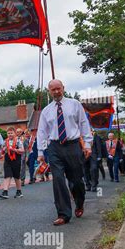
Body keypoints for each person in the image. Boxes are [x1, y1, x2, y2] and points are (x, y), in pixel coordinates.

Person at [37, 79, 92, 226]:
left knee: (76, 182)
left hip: (73, 146)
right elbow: (42, 132)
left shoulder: (75, 104)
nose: (56, 92)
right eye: (53, 89)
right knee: (58, 180)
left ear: (63, 88)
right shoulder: (46, 111)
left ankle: (79, 203)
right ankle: (63, 214)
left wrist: (87, 145)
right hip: (54, 147)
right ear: (49, 91)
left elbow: (83, 124)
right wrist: (41, 152)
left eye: (58, 89)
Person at [0, 127, 24, 199]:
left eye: (11, 133)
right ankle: (5, 192)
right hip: (7, 160)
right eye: (8, 133)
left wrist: (14, 150)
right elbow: (2, 151)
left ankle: (19, 191)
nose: (10, 134)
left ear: (14, 133)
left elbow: (22, 150)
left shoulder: (18, 141)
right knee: (7, 175)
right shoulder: (5, 141)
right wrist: (1, 154)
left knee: (16, 176)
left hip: (16, 160)